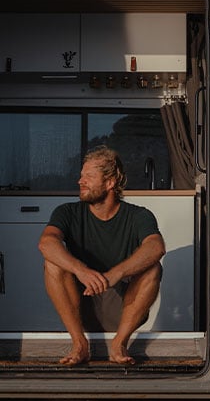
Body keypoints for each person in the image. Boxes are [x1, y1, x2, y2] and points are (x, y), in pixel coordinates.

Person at [38, 147, 166, 366]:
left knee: (153, 267)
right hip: (80, 306)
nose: (80, 181)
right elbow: (46, 243)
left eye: (89, 176)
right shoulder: (67, 212)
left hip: (122, 307)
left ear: (110, 183)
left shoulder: (139, 215)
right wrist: (80, 270)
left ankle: (119, 344)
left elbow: (156, 247)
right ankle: (79, 345)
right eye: (81, 175)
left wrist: (115, 274)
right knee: (52, 263)